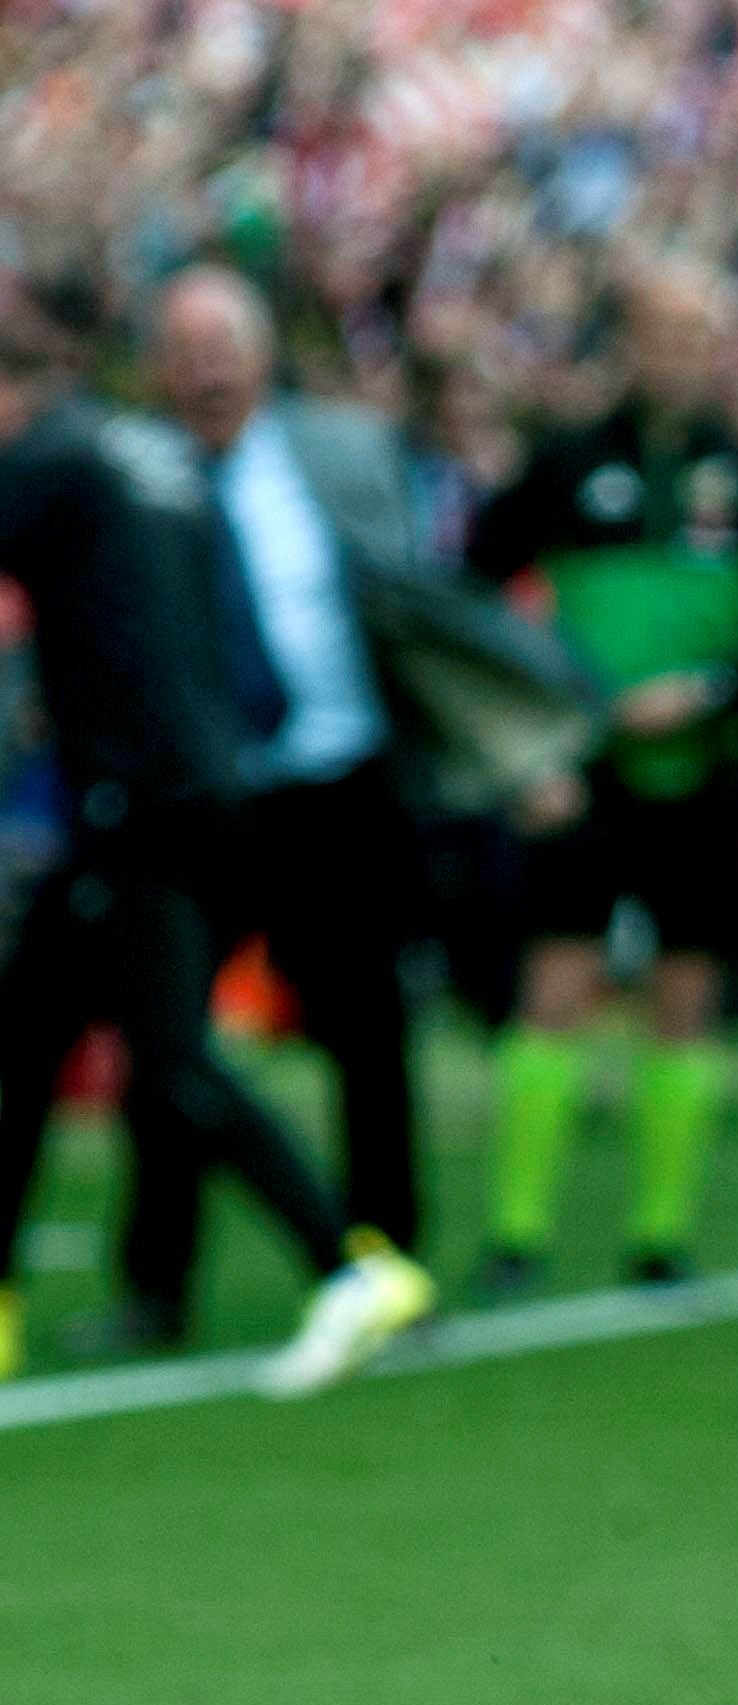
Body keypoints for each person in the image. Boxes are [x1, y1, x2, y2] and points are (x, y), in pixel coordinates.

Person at [0, 310, 434, 1395]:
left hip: (134, 801)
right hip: (202, 784)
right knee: (25, 1043)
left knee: (170, 1057)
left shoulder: (50, 462)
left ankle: (346, 1265)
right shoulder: (150, 459)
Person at [464, 264, 738, 1292]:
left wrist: (714, 691)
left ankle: (662, 1235)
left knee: (686, 991)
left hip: (709, 777)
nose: (677, 352)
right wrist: (537, 725)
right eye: (660, 331)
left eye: (697, 333)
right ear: (625, 340)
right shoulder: (566, 462)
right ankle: (516, 1231)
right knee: (557, 984)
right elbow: (475, 593)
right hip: (582, 778)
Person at [106, 270, 440, 1347]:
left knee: (368, 1031)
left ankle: (388, 1264)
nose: (206, 370)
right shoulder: (135, 477)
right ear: (156, 370)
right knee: (169, 1044)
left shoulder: (341, 453)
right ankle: (157, 1284)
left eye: (224, 346)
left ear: (263, 356)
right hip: (206, 800)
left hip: (339, 782)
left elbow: (414, 604)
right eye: (184, 349)